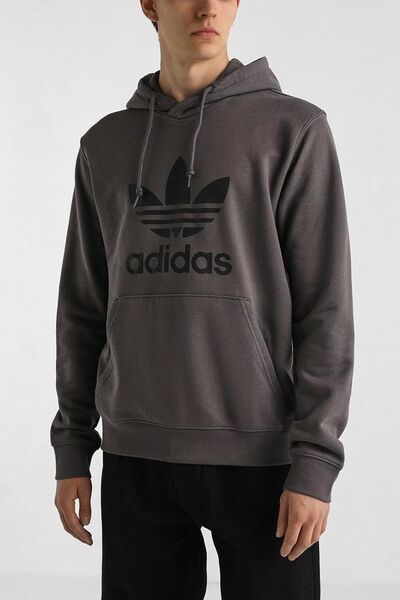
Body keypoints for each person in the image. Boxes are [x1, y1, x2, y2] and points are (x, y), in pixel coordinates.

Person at [50, 1, 354, 598]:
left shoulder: (293, 130)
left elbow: (326, 310)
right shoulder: (105, 144)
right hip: (135, 454)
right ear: (149, 4)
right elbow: (82, 307)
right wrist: (73, 444)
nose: (207, 7)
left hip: (263, 458)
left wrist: (316, 460)